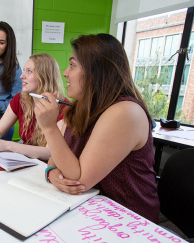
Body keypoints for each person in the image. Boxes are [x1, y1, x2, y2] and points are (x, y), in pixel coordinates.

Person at [34, 34, 160, 223]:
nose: (65, 73)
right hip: (89, 208)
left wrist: (50, 127)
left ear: (97, 71)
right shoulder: (79, 107)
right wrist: (52, 172)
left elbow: (80, 180)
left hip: (128, 219)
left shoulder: (125, 112)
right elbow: (56, 157)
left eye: (73, 65)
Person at [0, 53, 69, 161]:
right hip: (26, 161)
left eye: (29, 71)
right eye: (24, 70)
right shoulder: (19, 99)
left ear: (44, 76)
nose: (22, 76)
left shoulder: (64, 108)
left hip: (47, 165)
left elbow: (50, 153)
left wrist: (7, 145)